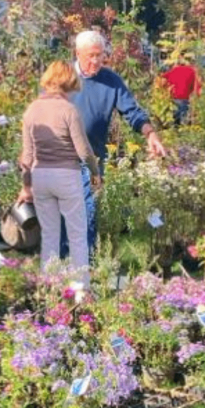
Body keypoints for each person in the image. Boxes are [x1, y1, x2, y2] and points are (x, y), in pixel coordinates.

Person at [69, 30, 167, 255]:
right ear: (77, 53)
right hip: (60, 156)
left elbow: (132, 111)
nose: (96, 61)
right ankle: (62, 263)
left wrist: (150, 134)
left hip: (91, 158)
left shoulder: (110, 80)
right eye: (90, 55)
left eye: (100, 55)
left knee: (89, 209)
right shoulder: (62, 77)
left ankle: (86, 263)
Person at [17, 60, 101, 285]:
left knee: (50, 234)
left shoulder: (32, 109)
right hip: (67, 176)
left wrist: (26, 186)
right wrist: (95, 173)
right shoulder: (68, 110)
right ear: (69, 82)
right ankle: (80, 287)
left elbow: (26, 156)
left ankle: (49, 286)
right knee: (77, 234)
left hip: (41, 176)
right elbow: (83, 149)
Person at [161, 57, 202, 125]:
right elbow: (197, 87)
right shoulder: (192, 71)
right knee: (184, 124)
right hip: (184, 100)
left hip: (173, 99)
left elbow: (163, 78)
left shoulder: (174, 70)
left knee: (174, 123)